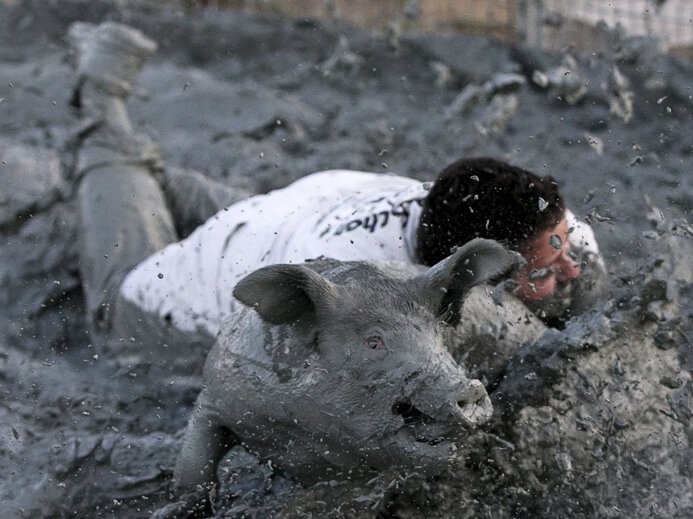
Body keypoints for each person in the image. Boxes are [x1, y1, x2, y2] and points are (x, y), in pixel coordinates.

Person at [69, 23, 605, 368]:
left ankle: (152, 173)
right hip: (183, 284)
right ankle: (99, 97)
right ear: (467, 269)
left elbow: (573, 252)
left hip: (286, 212)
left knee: (178, 192)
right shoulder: (367, 300)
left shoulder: (512, 207)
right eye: (548, 270)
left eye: (562, 250)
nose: (570, 269)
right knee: (115, 273)